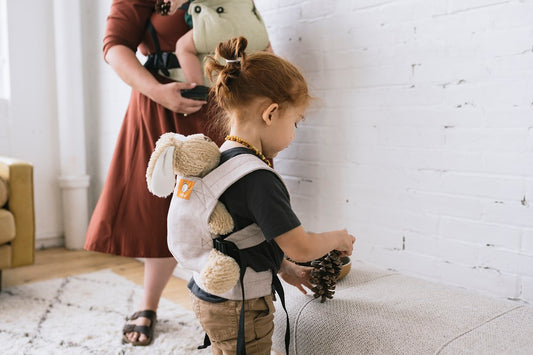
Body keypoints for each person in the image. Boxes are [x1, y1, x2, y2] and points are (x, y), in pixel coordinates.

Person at [186, 36, 356, 354]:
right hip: (241, 307)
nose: (293, 133)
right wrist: (337, 238)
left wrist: (286, 270)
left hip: (209, 293)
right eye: (295, 122)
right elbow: (300, 246)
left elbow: (238, 234)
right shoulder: (258, 177)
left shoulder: (221, 158)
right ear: (271, 113)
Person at [84, 0, 222, 346]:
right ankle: (148, 304)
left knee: (226, 207)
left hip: (221, 102)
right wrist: (158, 92)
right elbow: (114, 47)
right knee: (156, 209)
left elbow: (251, 32)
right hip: (162, 104)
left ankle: (221, 305)